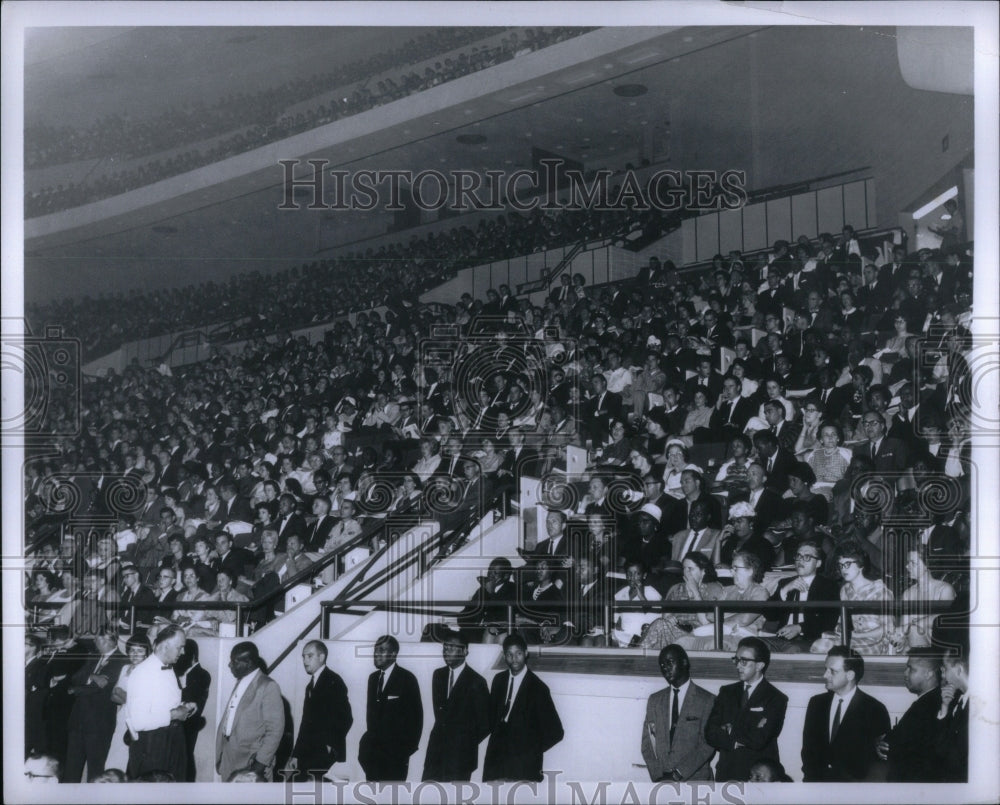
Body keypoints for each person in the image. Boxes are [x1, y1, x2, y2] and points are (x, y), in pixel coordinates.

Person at [801, 646, 890, 781]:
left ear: (850, 675)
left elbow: (877, 760)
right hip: (816, 784)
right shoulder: (816, 704)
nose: (825, 675)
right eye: (825, 669)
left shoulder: (875, 709)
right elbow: (808, 750)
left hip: (853, 790)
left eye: (832, 671)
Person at [705, 637, 788, 781]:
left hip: (758, 777)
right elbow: (710, 732)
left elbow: (759, 739)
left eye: (744, 661)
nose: (738, 666)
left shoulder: (776, 698)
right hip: (727, 773)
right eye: (736, 660)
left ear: (759, 665)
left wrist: (729, 730)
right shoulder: (726, 692)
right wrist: (739, 738)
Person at [483, 633, 564, 782]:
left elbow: (556, 732)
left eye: (518, 653)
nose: (514, 659)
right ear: (504, 655)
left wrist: (530, 750)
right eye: (509, 654)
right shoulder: (498, 681)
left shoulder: (538, 688)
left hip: (524, 769)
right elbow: (491, 719)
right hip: (496, 765)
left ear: (526, 653)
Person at [125, 624, 194, 781]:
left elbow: (162, 704)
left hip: (172, 740)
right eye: (180, 647)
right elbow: (138, 722)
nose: (183, 652)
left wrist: (184, 706)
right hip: (152, 746)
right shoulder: (143, 673)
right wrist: (174, 714)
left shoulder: (169, 669)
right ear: (165, 646)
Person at [422, 630, 491, 782]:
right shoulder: (438, 675)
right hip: (435, 753)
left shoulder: (477, 682)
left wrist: (464, 740)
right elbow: (440, 715)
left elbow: (485, 724)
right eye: (445, 647)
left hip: (461, 758)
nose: (446, 651)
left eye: (452, 647)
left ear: (465, 651)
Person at [640, 645, 716, 782]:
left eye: (669, 662)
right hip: (662, 781)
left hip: (695, 781)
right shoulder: (655, 700)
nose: (665, 668)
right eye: (662, 664)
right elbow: (647, 743)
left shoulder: (707, 700)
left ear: (684, 662)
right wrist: (657, 774)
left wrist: (679, 773)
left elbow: (708, 744)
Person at [63, 627, 128, 782]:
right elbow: (75, 678)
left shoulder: (122, 660)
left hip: (99, 724)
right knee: (71, 770)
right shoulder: (93, 657)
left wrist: (77, 689)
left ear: (111, 640)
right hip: (78, 721)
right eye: (97, 639)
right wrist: (93, 676)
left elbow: (100, 687)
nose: (97, 642)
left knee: (96, 771)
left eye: (99, 639)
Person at [216, 641, 285, 781]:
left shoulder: (268, 686)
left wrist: (260, 765)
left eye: (234, 661)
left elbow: (275, 730)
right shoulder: (242, 681)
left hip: (250, 764)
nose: (230, 665)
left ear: (248, 663)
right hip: (230, 760)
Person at [359, 634, 423, 781]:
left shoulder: (407, 679)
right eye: (375, 650)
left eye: (381, 650)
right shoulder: (373, 679)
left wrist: (404, 752)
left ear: (393, 654)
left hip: (396, 759)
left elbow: (417, 719)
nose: (376, 654)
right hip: (373, 758)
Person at [877, 647, 945, 782]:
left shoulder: (928, 705)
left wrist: (879, 742)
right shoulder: (930, 701)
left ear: (929, 674)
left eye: (911, 669)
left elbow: (892, 745)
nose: (905, 673)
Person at [288, 640, 353, 779]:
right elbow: (305, 723)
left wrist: (330, 745)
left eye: (309, 656)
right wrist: (296, 755)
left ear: (321, 657)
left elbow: (346, 718)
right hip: (309, 752)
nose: (305, 661)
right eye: (303, 656)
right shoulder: (310, 686)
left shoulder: (334, 681)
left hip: (322, 754)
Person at [761, 539, 839, 653]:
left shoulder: (828, 586)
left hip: (809, 639)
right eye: (798, 556)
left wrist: (799, 628)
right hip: (780, 639)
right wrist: (784, 591)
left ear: (818, 563)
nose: (800, 560)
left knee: (792, 650)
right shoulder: (785, 583)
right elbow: (769, 615)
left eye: (807, 557)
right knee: (751, 644)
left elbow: (828, 620)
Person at [640, 552, 724, 651]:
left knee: (659, 626)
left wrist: (695, 591)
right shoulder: (676, 589)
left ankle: (636, 654)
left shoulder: (713, 588)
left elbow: (705, 622)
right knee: (659, 625)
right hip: (674, 631)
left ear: (703, 571)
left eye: (690, 569)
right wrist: (669, 618)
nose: (686, 573)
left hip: (698, 633)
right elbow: (665, 616)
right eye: (684, 568)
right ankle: (639, 653)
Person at [104, 635, 151, 773]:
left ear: (147, 652)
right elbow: (113, 696)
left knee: (131, 757)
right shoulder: (125, 668)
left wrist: (124, 695)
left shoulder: (147, 671)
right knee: (116, 754)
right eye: (132, 650)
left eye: (140, 651)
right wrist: (127, 697)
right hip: (122, 716)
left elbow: (141, 701)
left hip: (137, 718)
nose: (135, 654)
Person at [176, 639, 211, 782]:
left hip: (188, 726)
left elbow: (191, 702)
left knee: (184, 764)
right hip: (175, 725)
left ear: (193, 656)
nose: (179, 657)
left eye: (183, 653)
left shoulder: (202, 674)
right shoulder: (179, 672)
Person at [933, 647, 969, 782]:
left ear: (959, 670)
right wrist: (945, 707)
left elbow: (949, 754)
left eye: (945, 669)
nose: (943, 676)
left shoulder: (977, 705)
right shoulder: (960, 700)